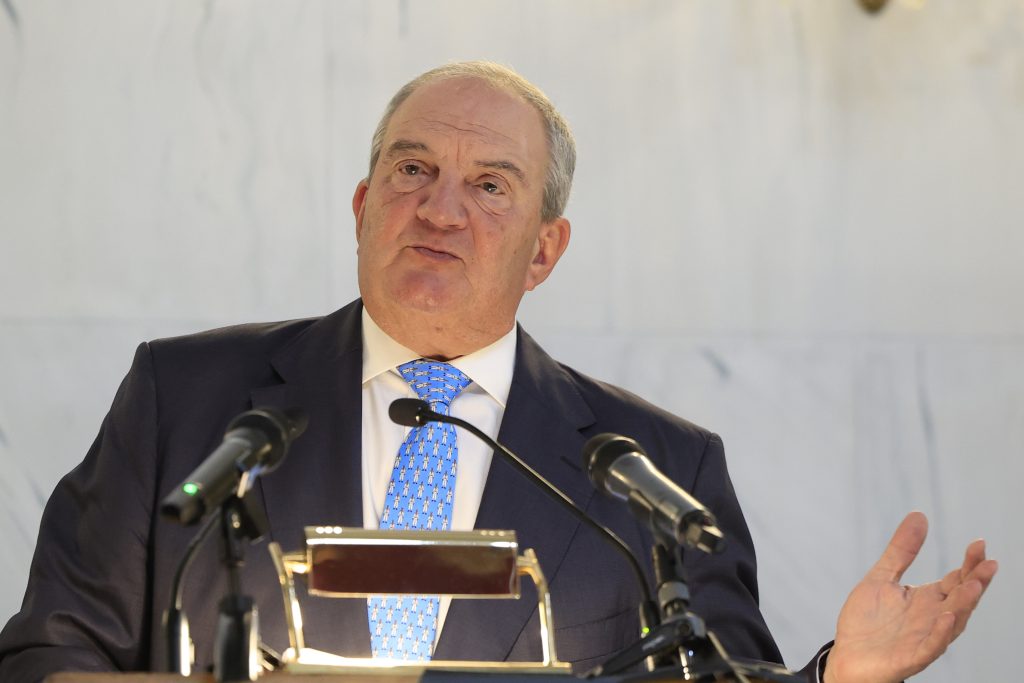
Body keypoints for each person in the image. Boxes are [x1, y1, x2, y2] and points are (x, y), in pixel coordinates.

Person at [0, 62, 996, 683]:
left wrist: (837, 679)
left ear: (544, 250)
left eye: (488, 186)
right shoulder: (188, 402)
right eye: (412, 170)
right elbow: (48, 649)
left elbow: (716, 675)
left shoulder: (656, 468)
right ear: (362, 205)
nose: (440, 210)